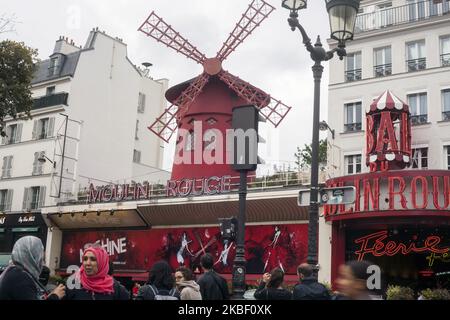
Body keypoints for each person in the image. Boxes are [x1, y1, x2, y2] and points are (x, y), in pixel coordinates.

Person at [0, 236, 65, 300]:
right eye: (41, 259)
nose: (43, 264)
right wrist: (55, 296)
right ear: (31, 257)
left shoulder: (14, 272)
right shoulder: (20, 278)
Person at [64, 246, 129, 300]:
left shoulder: (116, 288)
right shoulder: (73, 283)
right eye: (85, 259)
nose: (87, 263)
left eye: (93, 259)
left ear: (102, 262)